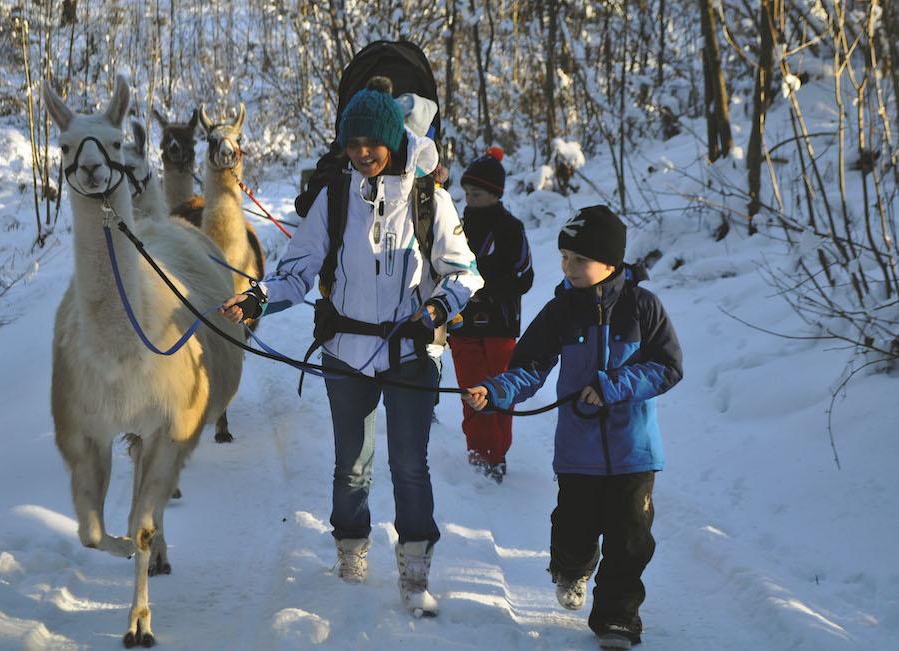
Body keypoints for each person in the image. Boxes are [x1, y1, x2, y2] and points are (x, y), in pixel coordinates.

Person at [221, 76, 483, 617]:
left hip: (412, 354)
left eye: (372, 144)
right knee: (352, 465)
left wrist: (436, 309)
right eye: (352, 144)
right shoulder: (335, 196)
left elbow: (465, 273)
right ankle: (351, 550)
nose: (362, 154)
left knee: (410, 465)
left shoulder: (428, 198)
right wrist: (256, 300)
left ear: (392, 140)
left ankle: (415, 567)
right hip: (345, 350)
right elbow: (296, 273)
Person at [462, 205, 682, 649]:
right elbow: (528, 368)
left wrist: (615, 386)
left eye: (578, 259)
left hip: (633, 452)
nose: (568, 267)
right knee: (573, 533)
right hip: (577, 453)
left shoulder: (643, 307)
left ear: (610, 262)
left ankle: (617, 619)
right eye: (564, 257)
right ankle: (572, 567)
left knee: (630, 540)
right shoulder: (561, 311)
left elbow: (667, 368)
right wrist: (495, 392)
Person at [448, 147, 533, 482]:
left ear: (496, 194)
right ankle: (482, 455)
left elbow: (524, 277)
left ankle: (496, 453)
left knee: (499, 391)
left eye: (477, 194)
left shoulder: (511, 228)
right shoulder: (456, 226)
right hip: (462, 324)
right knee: (471, 391)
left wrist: (486, 290)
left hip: (500, 326)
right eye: (467, 193)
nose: (469, 199)